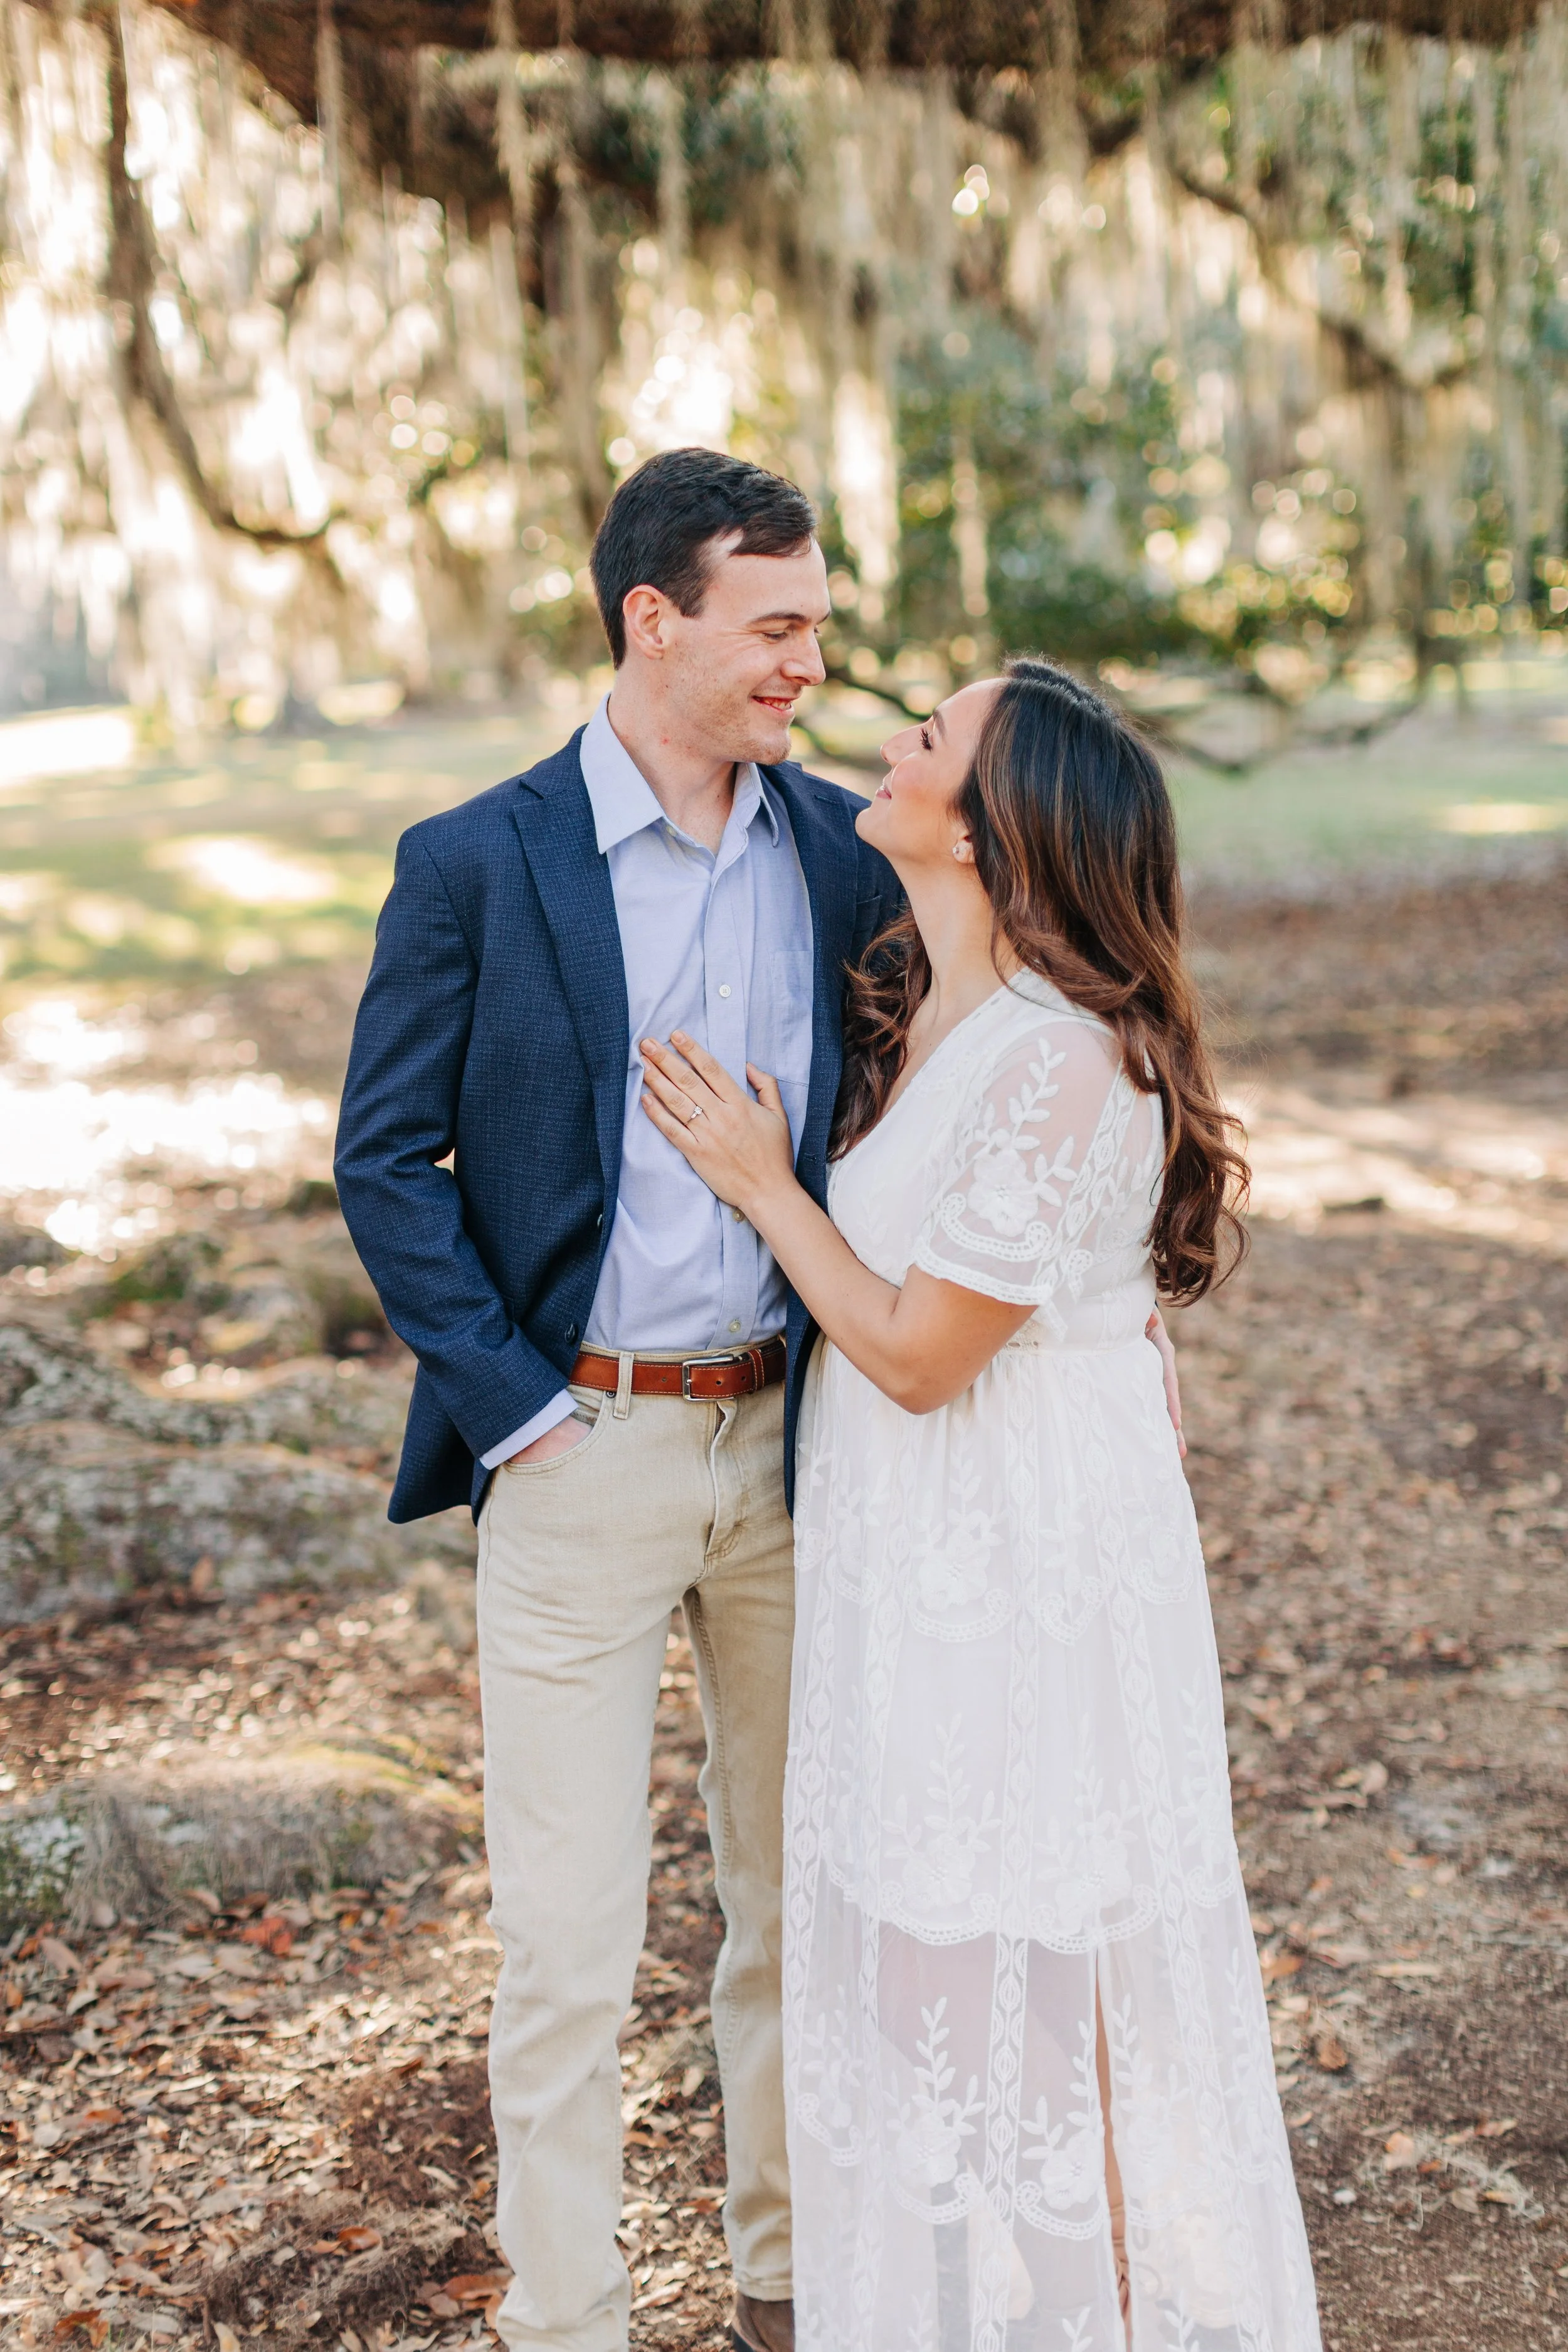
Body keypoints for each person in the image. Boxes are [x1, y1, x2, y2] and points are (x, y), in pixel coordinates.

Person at [638, 658, 1323, 2350]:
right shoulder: (929, 1018)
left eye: (930, 738)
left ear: (996, 828)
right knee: (937, 1965)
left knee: (1013, 1968)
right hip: (917, 1549)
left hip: (1010, 1558)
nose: (891, 740)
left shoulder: (1065, 1062)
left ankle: (1070, 2312)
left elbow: (919, 1348)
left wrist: (761, 1186)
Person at [333, 447, 903, 2352]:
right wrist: (513, 1407)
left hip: (797, 1452)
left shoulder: (839, 851)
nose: (807, 664)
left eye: (816, 627)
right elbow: (381, 1159)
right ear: (650, 617)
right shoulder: (474, 863)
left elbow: (933, 1113)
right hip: (573, 1455)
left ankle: (788, 2284)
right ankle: (567, 2321)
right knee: (569, 1952)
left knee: (794, 1908)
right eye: (775, 626)